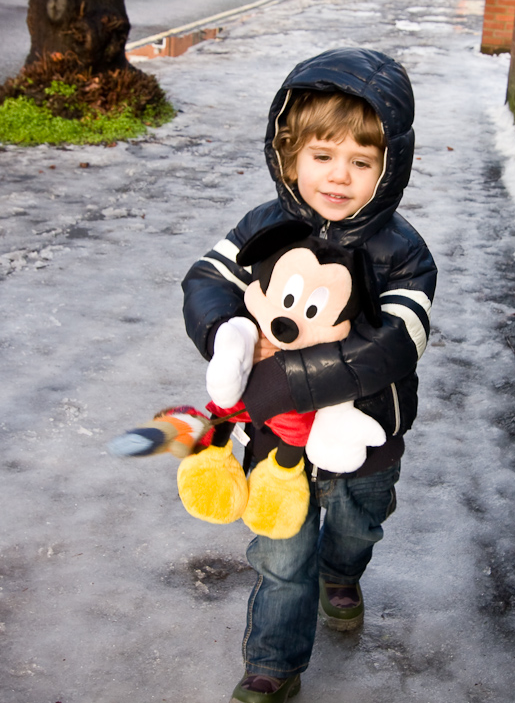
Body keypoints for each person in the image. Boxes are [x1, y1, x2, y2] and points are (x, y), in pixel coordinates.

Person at [182, 47, 437, 703]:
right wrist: (225, 334)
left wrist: (289, 377)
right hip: (276, 441)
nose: (338, 176)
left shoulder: (400, 251)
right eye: (322, 156)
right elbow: (208, 280)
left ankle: (344, 571)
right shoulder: (265, 226)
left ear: (388, 167)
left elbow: (393, 345)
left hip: (367, 433)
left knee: (355, 528)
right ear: (288, 151)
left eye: (361, 161)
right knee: (279, 556)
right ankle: (273, 662)